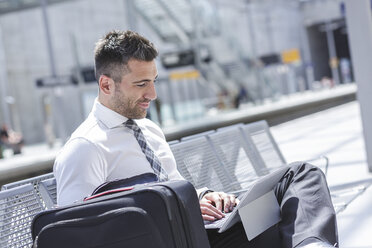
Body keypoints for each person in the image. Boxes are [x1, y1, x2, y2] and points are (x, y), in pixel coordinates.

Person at [54, 30, 338, 248]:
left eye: (153, 81)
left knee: (300, 176)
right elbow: (79, 235)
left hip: (206, 231)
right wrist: (174, 211)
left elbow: (171, 183)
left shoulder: (149, 130)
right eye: (141, 84)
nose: (152, 94)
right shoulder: (86, 148)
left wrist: (202, 196)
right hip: (177, 241)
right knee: (283, 222)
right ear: (106, 84)